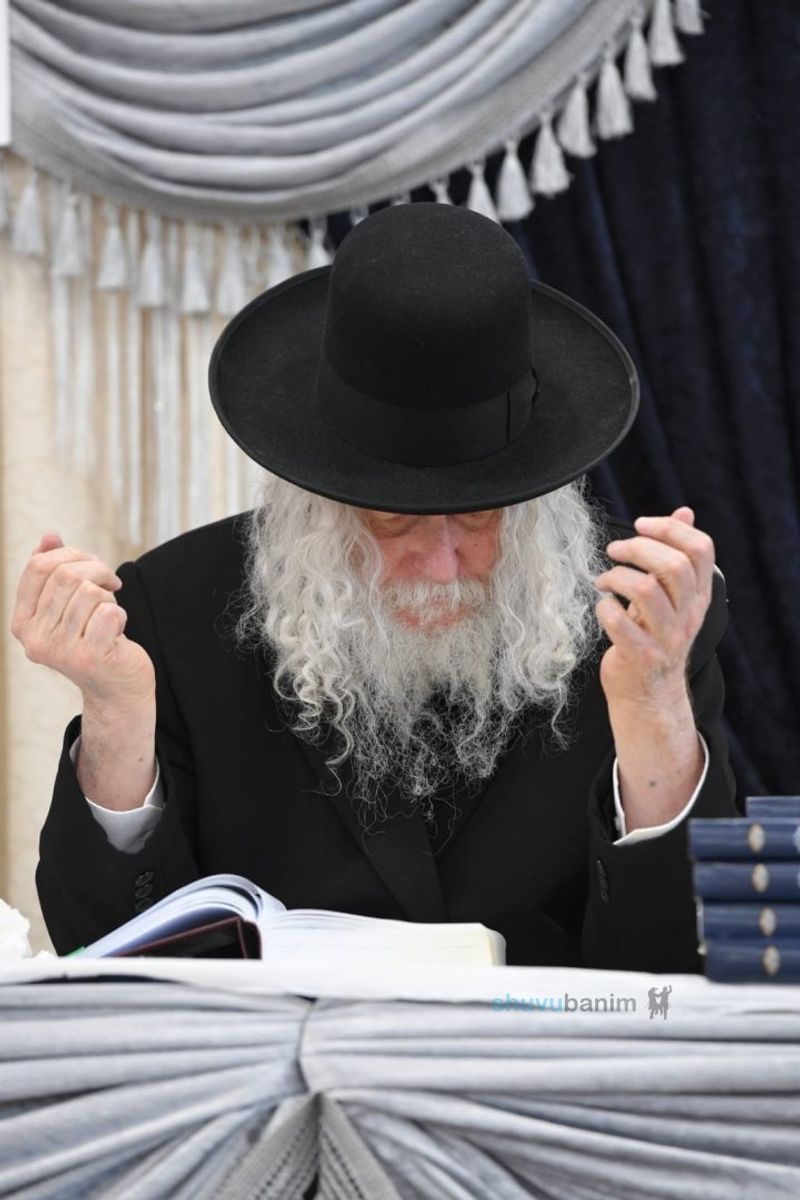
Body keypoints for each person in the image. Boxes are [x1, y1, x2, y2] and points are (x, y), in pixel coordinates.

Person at [12, 203, 737, 968]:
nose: (442, 565)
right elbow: (102, 950)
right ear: (320, 502)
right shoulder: (173, 607)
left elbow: (681, 960)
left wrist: (651, 704)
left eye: (481, 515)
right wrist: (117, 717)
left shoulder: (641, 616)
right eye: (395, 520)